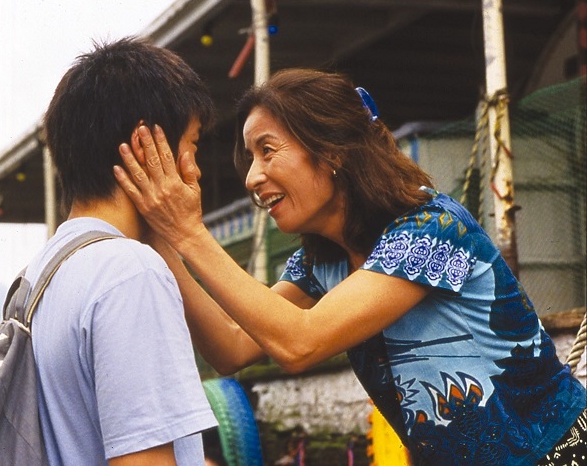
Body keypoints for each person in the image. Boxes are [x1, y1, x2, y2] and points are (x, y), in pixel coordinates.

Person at [114, 68, 587, 465]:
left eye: (268, 150)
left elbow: (298, 342)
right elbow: (233, 347)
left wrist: (190, 233)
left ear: (333, 150)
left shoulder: (432, 230)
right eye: (250, 157)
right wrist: (165, 242)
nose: (252, 177)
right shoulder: (324, 260)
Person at [30, 37, 218, 466]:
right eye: (193, 145)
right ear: (146, 148)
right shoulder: (130, 272)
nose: (197, 168)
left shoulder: (41, 272)